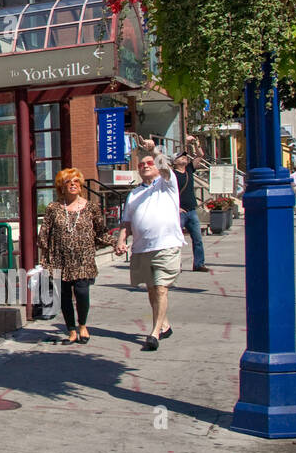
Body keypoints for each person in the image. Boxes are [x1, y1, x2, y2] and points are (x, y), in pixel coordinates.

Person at [113, 141, 186, 350]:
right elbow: (126, 222)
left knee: (161, 288)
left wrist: (153, 150)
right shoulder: (134, 194)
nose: (145, 165)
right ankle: (164, 324)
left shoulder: (167, 184)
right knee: (152, 289)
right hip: (142, 248)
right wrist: (121, 241)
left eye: (149, 163)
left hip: (166, 244)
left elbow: (164, 166)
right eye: (141, 164)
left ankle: (154, 333)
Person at [38, 168, 110, 344]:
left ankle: (83, 325)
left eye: (76, 181)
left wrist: (116, 243)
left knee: (81, 291)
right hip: (59, 259)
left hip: (83, 259)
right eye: (68, 182)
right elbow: (44, 233)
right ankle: (71, 329)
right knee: (63, 295)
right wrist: (45, 258)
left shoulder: (91, 207)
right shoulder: (53, 208)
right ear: (61, 186)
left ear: (81, 185)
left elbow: (101, 232)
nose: (73, 184)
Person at [172, 152, 208, 271]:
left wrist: (195, 145)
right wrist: (176, 207)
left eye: (185, 156)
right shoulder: (172, 175)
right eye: (180, 157)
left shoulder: (188, 170)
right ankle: (176, 265)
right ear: (174, 162)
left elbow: (200, 156)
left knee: (197, 239)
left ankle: (199, 264)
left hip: (192, 210)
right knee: (176, 240)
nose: (184, 158)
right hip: (179, 212)